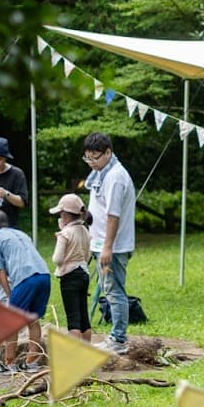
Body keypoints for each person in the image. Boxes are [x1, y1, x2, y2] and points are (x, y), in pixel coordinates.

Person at [83, 132, 136, 355]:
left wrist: (107, 247)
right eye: (88, 158)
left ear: (108, 153)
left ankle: (119, 339)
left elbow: (113, 215)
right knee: (110, 289)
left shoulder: (115, 177)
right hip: (100, 243)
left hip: (112, 247)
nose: (92, 162)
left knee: (114, 292)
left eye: (96, 158)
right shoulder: (101, 174)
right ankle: (116, 336)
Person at [0, 208, 51, 368]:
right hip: (44, 275)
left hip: (25, 278)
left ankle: (9, 363)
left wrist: (9, 293)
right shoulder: (21, 234)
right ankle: (32, 361)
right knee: (32, 319)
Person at [50, 192, 93, 343]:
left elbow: (57, 259)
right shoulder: (85, 230)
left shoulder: (65, 234)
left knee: (73, 318)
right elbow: (88, 256)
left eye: (61, 214)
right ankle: (87, 351)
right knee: (84, 317)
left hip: (69, 277)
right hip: (83, 274)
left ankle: (74, 355)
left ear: (66, 215)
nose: (60, 217)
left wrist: (60, 236)